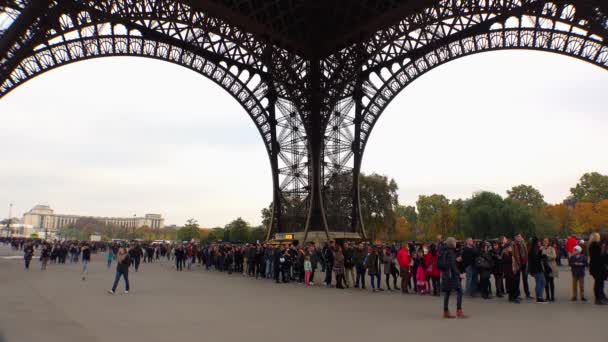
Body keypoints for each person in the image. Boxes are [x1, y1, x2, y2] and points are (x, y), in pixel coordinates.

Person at [442, 237, 466, 318]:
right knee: (460, 291)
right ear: (452, 243)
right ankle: (459, 310)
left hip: (445, 274)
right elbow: (452, 265)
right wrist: (459, 274)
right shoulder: (451, 252)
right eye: (455, 242)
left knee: (447, 292)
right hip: (451, 275)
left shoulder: (444, 250)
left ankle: (445, 311)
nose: (456, 243)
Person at [588, 232, 607, 305]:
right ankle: (598, 298)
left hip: (596, 266)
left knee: (599, 282)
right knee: (598, 282)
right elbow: (599, 256)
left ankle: (601, 296)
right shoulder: (595, 245)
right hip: (597, 267)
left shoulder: (593, 245)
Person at [528, 237, 547, 303]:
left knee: (542, 282)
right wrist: (540, 251)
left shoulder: (536, 249)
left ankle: (539, 296)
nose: (540, 243)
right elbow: (535, 260)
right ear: (536, 243)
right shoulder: (533, 250)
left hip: (538, 268)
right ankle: (539, 297)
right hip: (536, 269)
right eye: (538, 242)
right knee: (541, 282)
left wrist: (543, 253)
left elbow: (541, 258)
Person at [513, 233, 531, 300]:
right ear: (515, 238)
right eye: (518, 236)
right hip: (518, 264)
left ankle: (527, 294)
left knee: (525, 279)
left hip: (524, 263)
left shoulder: (523, 244)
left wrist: (526, 261)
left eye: (520, 236)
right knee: (517, 280)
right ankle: (517, 294)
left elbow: (526, 253)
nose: (519, 238)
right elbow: (514, 255)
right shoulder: (514, 245)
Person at [541, 238, 558, 302]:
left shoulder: (551, 248)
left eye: (546, 241)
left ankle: (552, 296)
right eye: (544, 241)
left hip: (551, 267)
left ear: (548, 242)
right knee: (546, 282)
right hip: (544, 267)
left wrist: (546, 255)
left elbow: (554, 256)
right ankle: (547, 296)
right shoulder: (541, 248)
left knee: (551, 282)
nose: (545, 242)